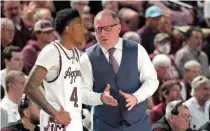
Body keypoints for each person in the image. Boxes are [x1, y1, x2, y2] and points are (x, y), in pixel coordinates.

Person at [80, 9, 159, 131]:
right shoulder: (86, 58)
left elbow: (152, 80)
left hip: (137, 123)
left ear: (118, 28)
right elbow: (82, 91)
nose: (102, 34)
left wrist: (136, 97)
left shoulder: (137, 50)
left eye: (107, 28)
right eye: (98, 29)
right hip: (104, 124)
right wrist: (99, 98)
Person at [24, 9, 85, 131]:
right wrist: (55, 113)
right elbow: (30, 86)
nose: (84, 30)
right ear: (69, 29)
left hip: (74, 119)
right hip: (56, 122)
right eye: (80, 26)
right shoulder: (52, 51)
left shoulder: (77, 53)